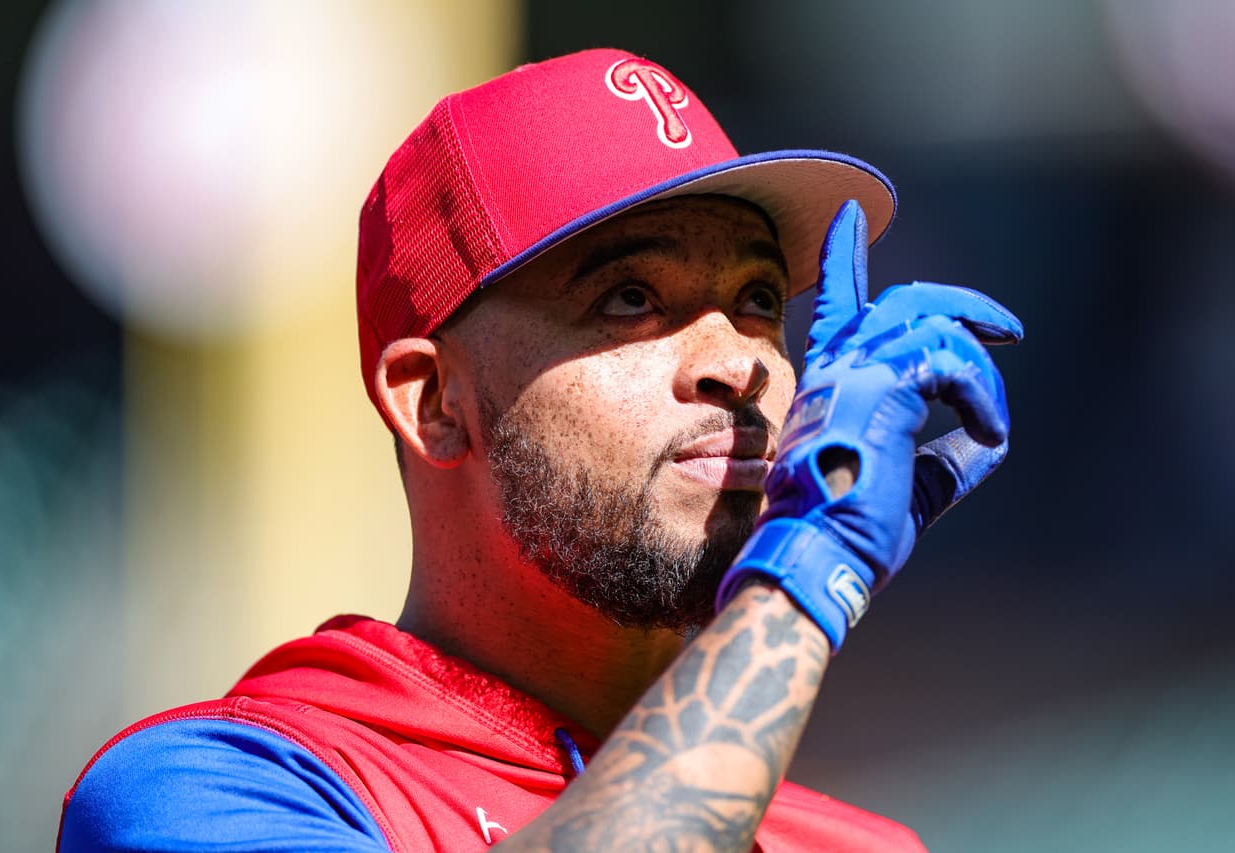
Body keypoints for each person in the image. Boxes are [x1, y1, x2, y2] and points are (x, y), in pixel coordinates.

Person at [57, 48, 1021, 852]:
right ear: (433, 402)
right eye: (630, 298)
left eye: (761, 300)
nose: (739, 361)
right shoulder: (217, 791)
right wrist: (811, 569)